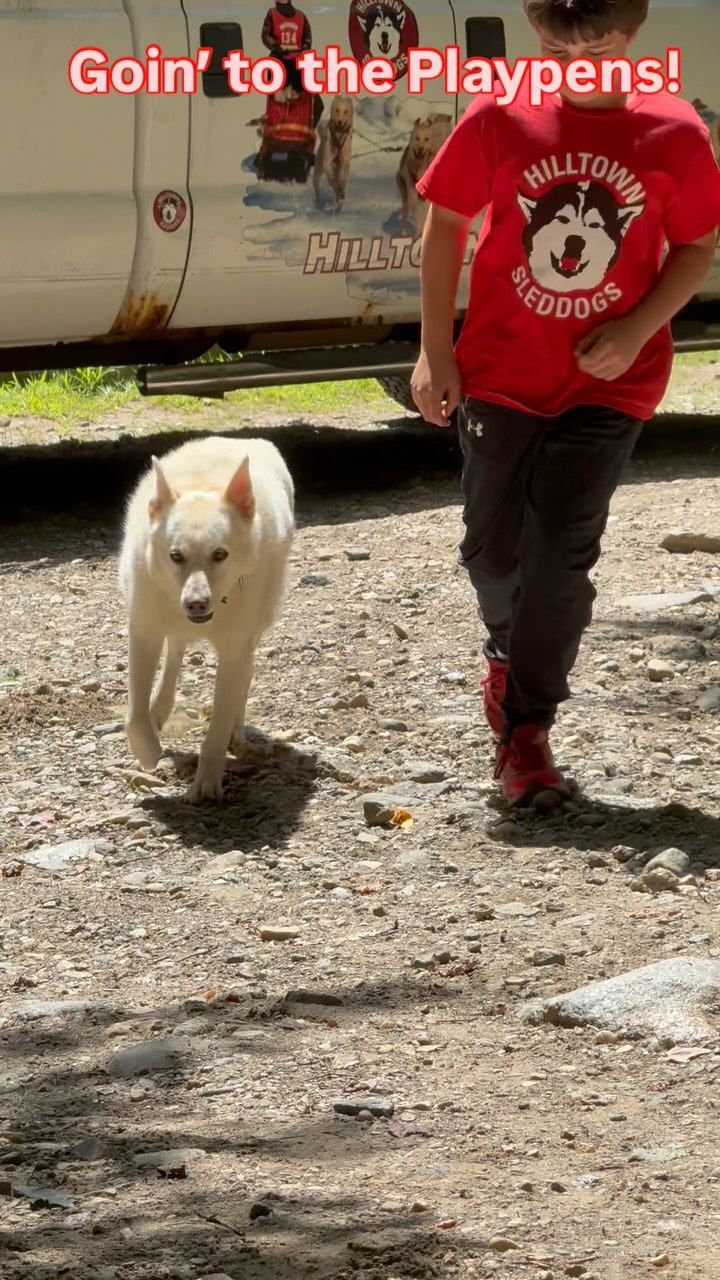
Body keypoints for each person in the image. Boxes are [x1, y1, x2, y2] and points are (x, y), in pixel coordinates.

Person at [411, 0, 720, 807]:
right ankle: (507, 655)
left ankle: (527, 732)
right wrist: (435, 351)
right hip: (501, 375)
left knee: (560, 558)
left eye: (598, 45)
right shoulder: (498, 116)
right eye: (555, 46)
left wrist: (638, 326)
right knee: (492, 556)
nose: (575, 63)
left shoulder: (674, 132)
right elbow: (445, 227)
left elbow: (695, 246)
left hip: (611, 383)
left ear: (636, 30)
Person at [261, 0, 323, 126]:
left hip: (298, 66)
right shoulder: (271, 14)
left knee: (317, 105)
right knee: (279, 106)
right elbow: (265, 35)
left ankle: (306, 130)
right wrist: (276, 47)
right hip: (278, 64)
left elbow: (308, 37)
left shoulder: (301, 16)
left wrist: (306, 45)